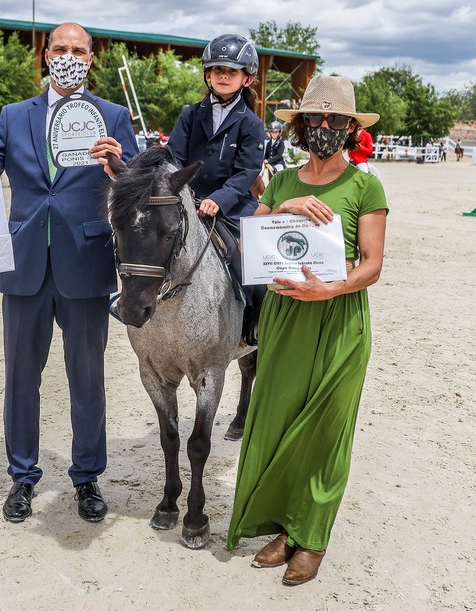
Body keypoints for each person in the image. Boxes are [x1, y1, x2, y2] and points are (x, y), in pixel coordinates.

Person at [0, 22, 138, 523]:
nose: (69, 56)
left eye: (78, 50)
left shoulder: (113, 115)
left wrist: (119, 165)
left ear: (91, 58)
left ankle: (87, 477)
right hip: (25, 263)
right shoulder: (14, 115)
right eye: (60, 48)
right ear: (46, 54)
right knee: (21, 379)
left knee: (88, 380)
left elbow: (136, 183)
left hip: (85, 261)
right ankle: (22, 476)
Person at [226, 75, 388, 586]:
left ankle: (311, 537)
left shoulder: (365, 185)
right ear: (300, 124)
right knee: (279, 422)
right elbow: (247, 246)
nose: (324, 125)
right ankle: (285, 527)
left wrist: (330, 290)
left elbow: (372, 264)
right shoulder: (281, 182)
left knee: (325, 430)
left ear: (349, 128)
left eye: (335, 119)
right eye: (315, 117)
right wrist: (284, 207)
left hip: (339, 319)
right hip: (284, 317)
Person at [166, 33, 266, 344]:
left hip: (231, 206)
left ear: (246, 79)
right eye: (217, 70)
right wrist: (181, 193)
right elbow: (174, 158)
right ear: (208, 75)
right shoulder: (189, 114)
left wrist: (218, 200)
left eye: (231, 71)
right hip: (188, 200)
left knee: (249, 261)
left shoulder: (251, 124)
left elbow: (246, 172)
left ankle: (252, 324)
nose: (223, 76)